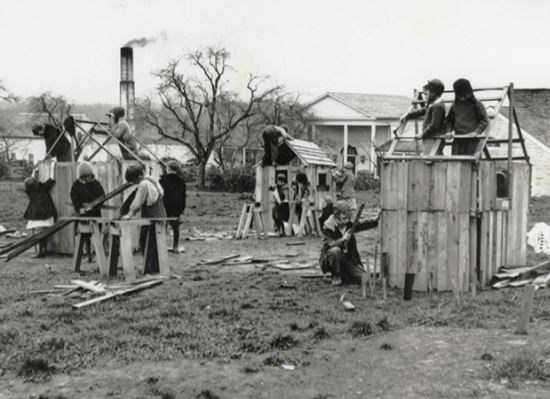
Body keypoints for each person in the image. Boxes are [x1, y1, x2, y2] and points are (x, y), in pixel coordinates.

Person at [120, 164, 167, 274]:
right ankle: (155, 267)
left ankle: (150, 268)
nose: (135, 183)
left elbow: (138, 202)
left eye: (135, 181)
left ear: (139, 176)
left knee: (145, 242)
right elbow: (161, 194)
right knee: (155, 243)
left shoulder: (144, 184)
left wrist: (130, 214)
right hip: (160, 215)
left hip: (152, 216)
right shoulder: (153, 180)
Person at [320, 201, 379, 286]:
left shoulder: (349, 224)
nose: (347, 218)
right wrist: (342, 239)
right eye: (344, 216)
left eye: (348, 216)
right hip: (332, 260)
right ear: (337, 215)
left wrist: (376, 219)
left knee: (364, 279)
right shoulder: (327, 227)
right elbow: (329, 244)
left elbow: (362, 224)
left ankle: (346, 275)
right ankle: (336, 276)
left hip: (348, 259)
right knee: (335, 251)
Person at [70, 162, 106, 261]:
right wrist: (79, 209)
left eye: (89, 176)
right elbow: (74, 198)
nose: (87, 178)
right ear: (81, 175)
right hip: (83, 214)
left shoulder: (96, 184)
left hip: (95, 213)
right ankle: (87, 253)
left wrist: (94, 207)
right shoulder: (76, 185)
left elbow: (102, 197)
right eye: (85, 176)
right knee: (84, 235)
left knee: (96, 234)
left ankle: (97, 254)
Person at [400, 79, 446, 155]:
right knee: (429, 160)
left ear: (434, 93)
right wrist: (408, 115)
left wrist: (423, 134)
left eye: (426, 94)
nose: (425, 97)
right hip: (429, 139)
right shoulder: (433, 105)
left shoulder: (438, 107)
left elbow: (435, 125)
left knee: (432, 161)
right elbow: (423, 111)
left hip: (433, 140)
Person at [446, 78, 489, 155]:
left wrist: (476, 132)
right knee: (456, 162)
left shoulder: (477, 104)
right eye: (460, 94)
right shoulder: (454, 106)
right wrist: (449, 131)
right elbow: (449, 121)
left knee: (471, 163)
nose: (463, 97)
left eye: (465, 94)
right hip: (458, 140)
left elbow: (484, 120)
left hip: (472, 140)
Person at [23, 169, 57, 257]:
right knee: (42, 233)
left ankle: (40, 252)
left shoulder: (32, 188)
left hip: (37, 214)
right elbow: (51, 180)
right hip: (43, 213)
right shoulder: (42, 187)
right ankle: (42, 251)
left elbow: (50, 181)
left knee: (38, 233)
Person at [159, 160, 187, 253]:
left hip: (164, 206)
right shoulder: (181, 181)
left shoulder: (162, 180)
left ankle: (161, 247)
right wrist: (182, 209)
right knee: (176, 227)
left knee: (163, 226)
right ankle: (175, 246)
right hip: (176, 207)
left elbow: (159, 195)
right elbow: (183, 196)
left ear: (168, 168)